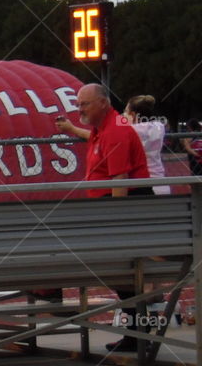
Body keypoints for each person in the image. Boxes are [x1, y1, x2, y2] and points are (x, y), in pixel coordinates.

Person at [55, 83, 151, 352]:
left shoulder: (116, 131)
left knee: (120, 270)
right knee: (121, 274)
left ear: (103, 103)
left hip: (120, 209)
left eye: (84, 104)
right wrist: (74, 130)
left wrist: (115, 223)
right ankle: (137, 331)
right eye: (78, 104)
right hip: (109, 207)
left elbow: (119, 180)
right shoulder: (105, 128)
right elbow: (100, 144)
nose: (79, 109)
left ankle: (138, 330)